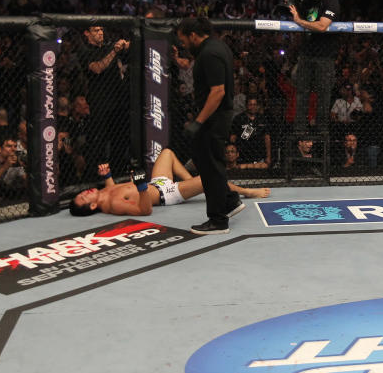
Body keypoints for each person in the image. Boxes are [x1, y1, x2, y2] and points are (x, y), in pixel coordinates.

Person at [177, 17, 242, 234]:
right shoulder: (215, 47)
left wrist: (198, 121)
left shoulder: (210, 53)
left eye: (184, 41)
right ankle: (230, 200)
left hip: (213, 117)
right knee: (207, 162)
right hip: (215, 116)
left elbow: (218, 92)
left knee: (211, 166)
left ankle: (217, 220)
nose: (184, 46)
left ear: (193, 35)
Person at [69, 147, 270, 216]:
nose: (84, 192)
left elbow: (114, 189)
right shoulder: (112, 205)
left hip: (157, 183)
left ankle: (195, 185)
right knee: (210, 177)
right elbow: (144, 210)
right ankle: (247, 192)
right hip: (167, 194)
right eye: (83, 198)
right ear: (93, 205)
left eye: (80, 193)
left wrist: (107, 177)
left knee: (167, 153)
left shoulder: (105, 193)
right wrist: (140, 187)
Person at [288, 0, 340, 136]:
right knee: (302, 93)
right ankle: (300, 131)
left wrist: (300, 21)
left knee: (323, 95)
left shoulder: (331, 1)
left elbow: (322, 26)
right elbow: (291, 4)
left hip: (324, 56)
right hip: (307, 54)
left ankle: (321, 132)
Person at [78, 24, 131, 173]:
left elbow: (130, 49)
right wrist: (114, 51)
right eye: (96, 30)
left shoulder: (109, 47)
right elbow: (97, 68)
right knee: (98, 142)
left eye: (102, 30)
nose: (100, 33)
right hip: (99, 103)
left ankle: (118, 173)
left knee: (119, 140)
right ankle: (95, 176)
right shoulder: (85, 51)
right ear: (87, 33)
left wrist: (126, 44)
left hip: (118, 101)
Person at [229, 96, 272, 168]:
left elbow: (267, 138)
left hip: (259, 154)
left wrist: (268, 156)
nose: (252, 107)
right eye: (250, 105)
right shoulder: (239, 118)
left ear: (258, 106)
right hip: (243, 155)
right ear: (246, 106)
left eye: (254, 105)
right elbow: (233, 138)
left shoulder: (262, 119)